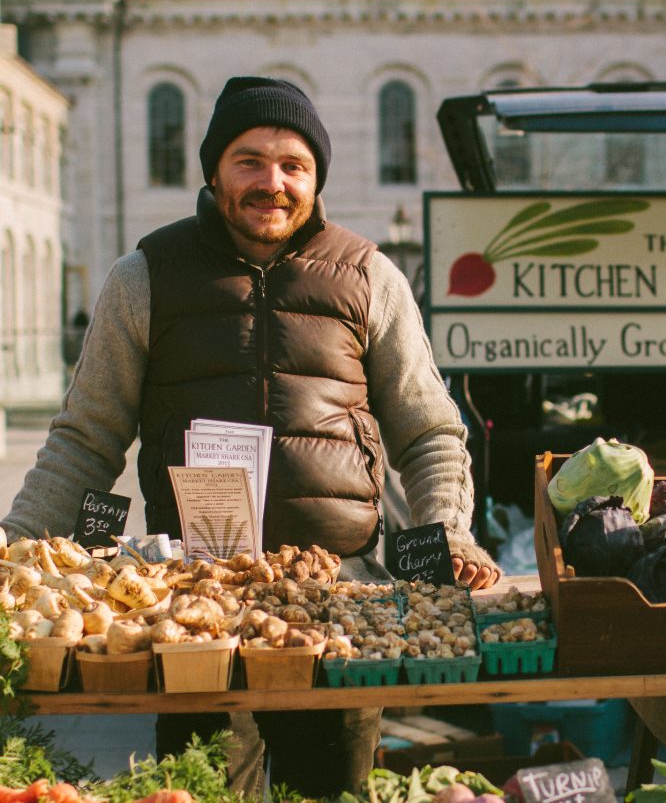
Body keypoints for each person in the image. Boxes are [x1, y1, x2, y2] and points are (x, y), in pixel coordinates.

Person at [1, 76, 501, 799]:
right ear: (213, 172)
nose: (274, 182)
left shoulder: (369, 277)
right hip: (195, 614)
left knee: (330, 790)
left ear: (316, 177)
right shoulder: (146, 277)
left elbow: (429, 433)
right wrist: (15, 547)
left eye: (294, 165)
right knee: (204, 789)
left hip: (341, 609)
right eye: (250, 161)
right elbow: (86, 438)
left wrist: (449, 532)